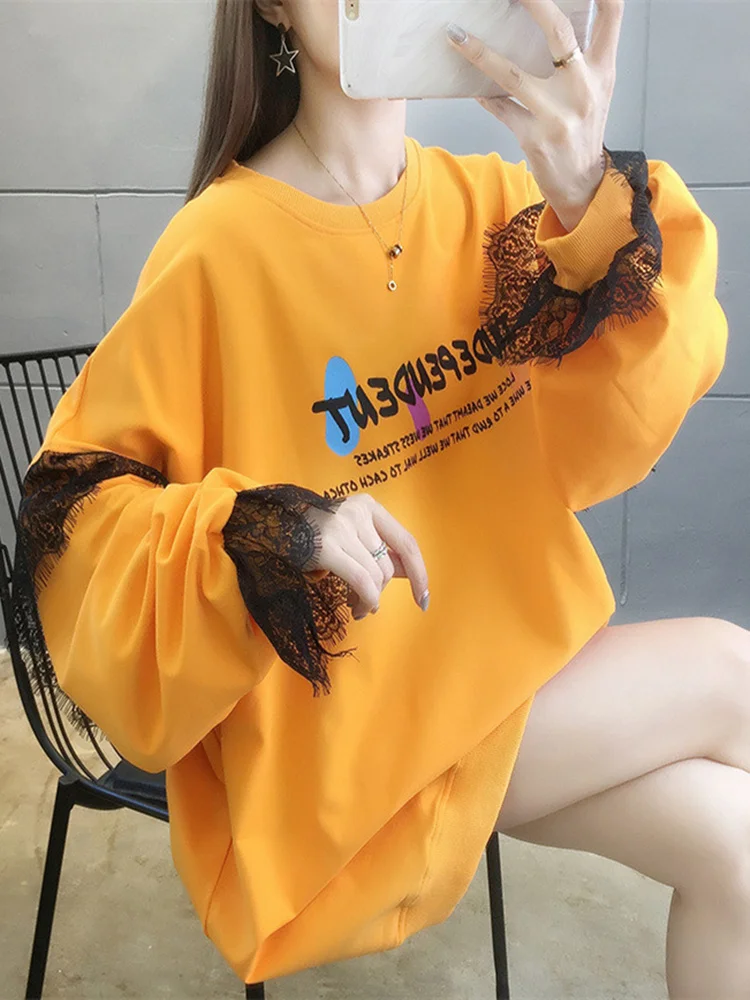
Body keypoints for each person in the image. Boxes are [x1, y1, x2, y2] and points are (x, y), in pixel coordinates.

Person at [11, 0, 744, 995]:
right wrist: (275, 529)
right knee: (734, 671)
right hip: (356, 736)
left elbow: (628, 416)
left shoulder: (498, 205)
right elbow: (74, 521)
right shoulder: (216, 250)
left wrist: (588, 196)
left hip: (510, 665)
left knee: (735, 850)